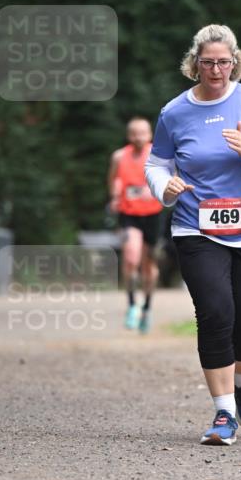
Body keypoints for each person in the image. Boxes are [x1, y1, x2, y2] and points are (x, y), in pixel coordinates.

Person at [145, 24, 241, 445]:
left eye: (223, 62)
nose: (216, 69)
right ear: (195, 64)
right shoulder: (174, 113)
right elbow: (157, 165)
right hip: (195, 228)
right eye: (207, 62)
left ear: (235, 62)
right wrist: (164, 187)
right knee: (214, 314)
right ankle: (224, 413)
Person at [108, 117, 164, 334]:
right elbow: (114, 179)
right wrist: (115, 194)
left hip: (153, 214)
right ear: (128, 135)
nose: (139, 137)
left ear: (149, 135)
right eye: (134, 133)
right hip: (128, 213)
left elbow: (170, 177)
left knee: (149, 266)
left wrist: (158, 190)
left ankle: (147, 308)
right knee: (131, 257)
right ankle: (132, 305)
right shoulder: (119, 156)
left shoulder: (157, 154)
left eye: (143, 133)